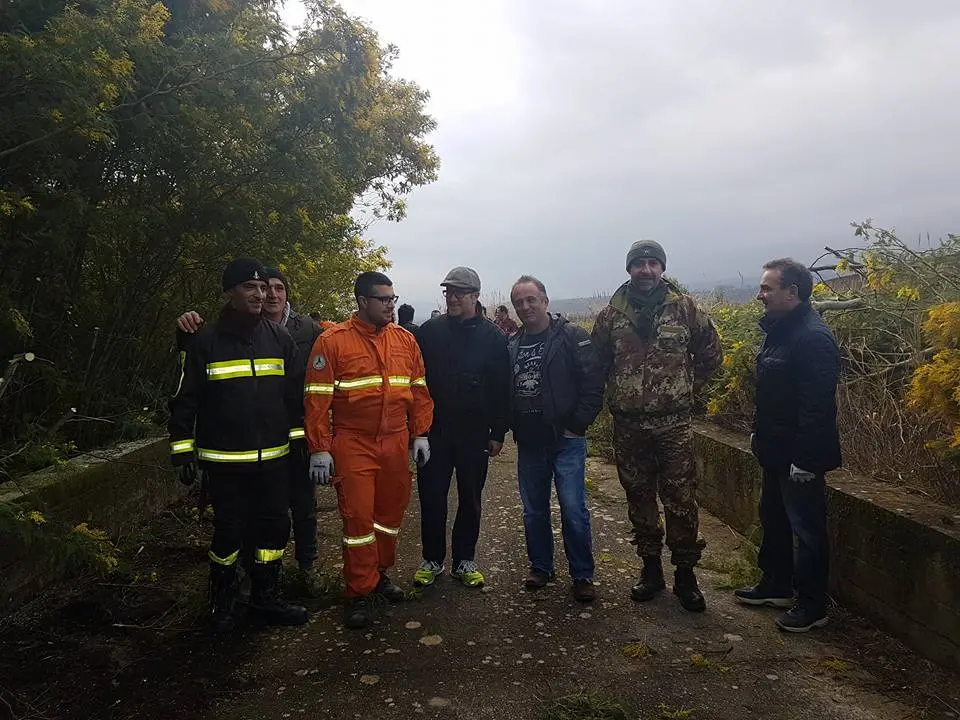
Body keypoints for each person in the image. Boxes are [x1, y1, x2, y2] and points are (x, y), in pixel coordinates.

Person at [168, 258, 308, 631]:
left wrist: (298, 441)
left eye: (264, 288)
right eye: (251, 287)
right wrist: (182, 449)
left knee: (276, 529)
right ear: (231, 292)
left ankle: (266, 597)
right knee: (229, 532)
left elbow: (294, 398)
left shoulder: (279, 338)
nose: (260, 295)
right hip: (226, 461)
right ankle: (223, 601)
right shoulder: (205, 339)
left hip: (274, 460)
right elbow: (185, 398)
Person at [591, 240, 721, 612]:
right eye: (639, 264)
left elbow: (711, 353)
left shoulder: (685, 309)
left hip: (674, 425)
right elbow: (596, 364)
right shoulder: (610, 316)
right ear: (629, 269)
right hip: (629, 425)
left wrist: (686, 390)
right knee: (639, 497)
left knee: (681, 499)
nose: (646, 270)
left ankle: (685, 576)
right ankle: (650, 571)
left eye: (652, 263)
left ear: (661, 268)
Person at [303, 272, 434, 629]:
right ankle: (358, 592)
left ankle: (379, 574)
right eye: (383, 299)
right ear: (362, 302)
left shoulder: (405, 341)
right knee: (358, 519)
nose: (391, 304)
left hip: (394, 441)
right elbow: (317, 399)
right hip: (353, 442)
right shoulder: (332, 342)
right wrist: (319, 448)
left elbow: (419, 390)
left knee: (389, 516)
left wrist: (421, 432)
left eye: (393, 298)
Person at [735, 258, 840, 633]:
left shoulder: (813, 338)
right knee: (774, 519)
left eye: (767, 288)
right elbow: (772, 395)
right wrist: (757, 434)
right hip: (775, 449)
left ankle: (812, 605)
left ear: (791, 293)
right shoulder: (779, 331)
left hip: (800, 456)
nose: (760, 295)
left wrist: (807, 459)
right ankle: (776, 585)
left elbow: (817, 407)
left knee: (807, 530)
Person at [412, 267, 510, 589]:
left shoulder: (494, 337)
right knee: (432, 496)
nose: (452, 298)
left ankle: (465, 560)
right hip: (435, 432)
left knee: (470, 497)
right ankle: (432, 559)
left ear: (475, 296)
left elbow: (501, 388)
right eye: (448, 292)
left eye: (459, 292)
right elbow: (416, 383)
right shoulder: (429, 332)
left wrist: (498, 432)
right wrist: (417, 431)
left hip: (474, 432)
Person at [509, 276, 604, 602]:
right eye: (519, 302)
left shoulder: (572, 336)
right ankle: (541, 567)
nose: (525, 307)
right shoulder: (513, 344)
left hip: (567, 440)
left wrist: (577, 425)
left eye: (531, 299)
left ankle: (582, 574)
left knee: (573, 508)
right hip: (531, 442)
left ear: (545, 301)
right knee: (533, 510)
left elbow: (593, 383)